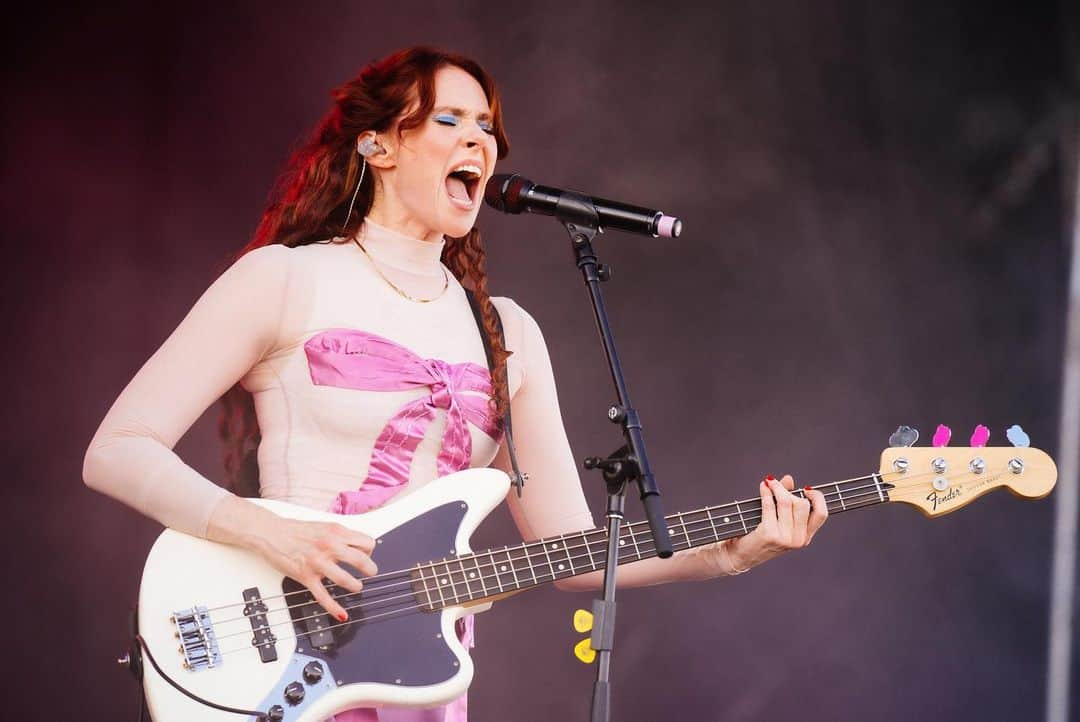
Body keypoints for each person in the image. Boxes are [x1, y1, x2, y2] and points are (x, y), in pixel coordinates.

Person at [82, 46, 828, 721]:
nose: (482, 140)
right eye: (451, 119)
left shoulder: (508, 333)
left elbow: (571, 550)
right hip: (281, 657)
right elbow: (118, 448)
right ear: (377, 145)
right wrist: (272, 533)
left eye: (489, 127)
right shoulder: (284, 280)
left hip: (419, 684)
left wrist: (727, 555)